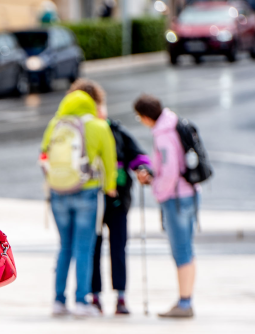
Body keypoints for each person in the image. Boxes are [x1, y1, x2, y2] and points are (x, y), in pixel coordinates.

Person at [67, 80, 151, 316]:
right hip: (99, 199)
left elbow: (138, 156)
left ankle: (114, 296)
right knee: (101, 248)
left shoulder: (109, 130)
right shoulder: (98, 129)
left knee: (109, 247)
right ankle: (100, 296)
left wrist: (145, 169)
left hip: (107, 200)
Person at [39, 88, 117, 317]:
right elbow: (109, 161)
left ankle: (59, 300)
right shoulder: (98, 126)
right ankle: (82, 300)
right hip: (87, 191)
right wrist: (110, 186)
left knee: (65, 246)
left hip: (58, 192)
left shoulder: (55, 123)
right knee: (84, 247)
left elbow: (44, 154)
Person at [133, 93, 198, 319]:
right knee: (187, 249)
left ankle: (185, 302)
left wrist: (157, 190)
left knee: (181, 250)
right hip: (188, 193)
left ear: (145, 116)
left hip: (176, 198)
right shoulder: (173, 123)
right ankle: (186, 299)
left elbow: (169, 171)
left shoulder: (163, 135)